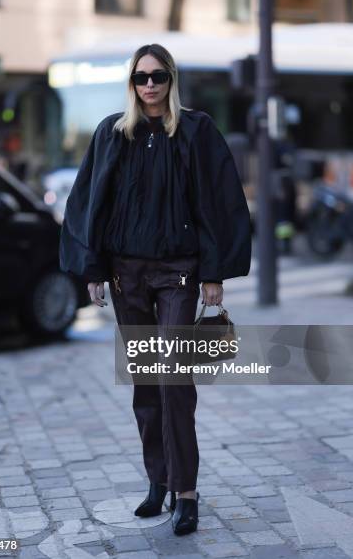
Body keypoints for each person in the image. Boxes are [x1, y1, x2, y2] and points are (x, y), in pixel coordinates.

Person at [59, 43, 252, 535]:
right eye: (141, 77)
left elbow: (220, 200)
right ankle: (158, 480)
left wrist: (214, 273)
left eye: (158, 76)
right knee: (147, 383)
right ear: (132, 82)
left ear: (171, 79)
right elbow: (88, 203)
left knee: (174, 380)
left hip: (178, 274)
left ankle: (185, 491)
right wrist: (93, 269)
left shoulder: (196, 130)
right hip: (127, 276)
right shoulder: (112, 133)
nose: (149, 85)